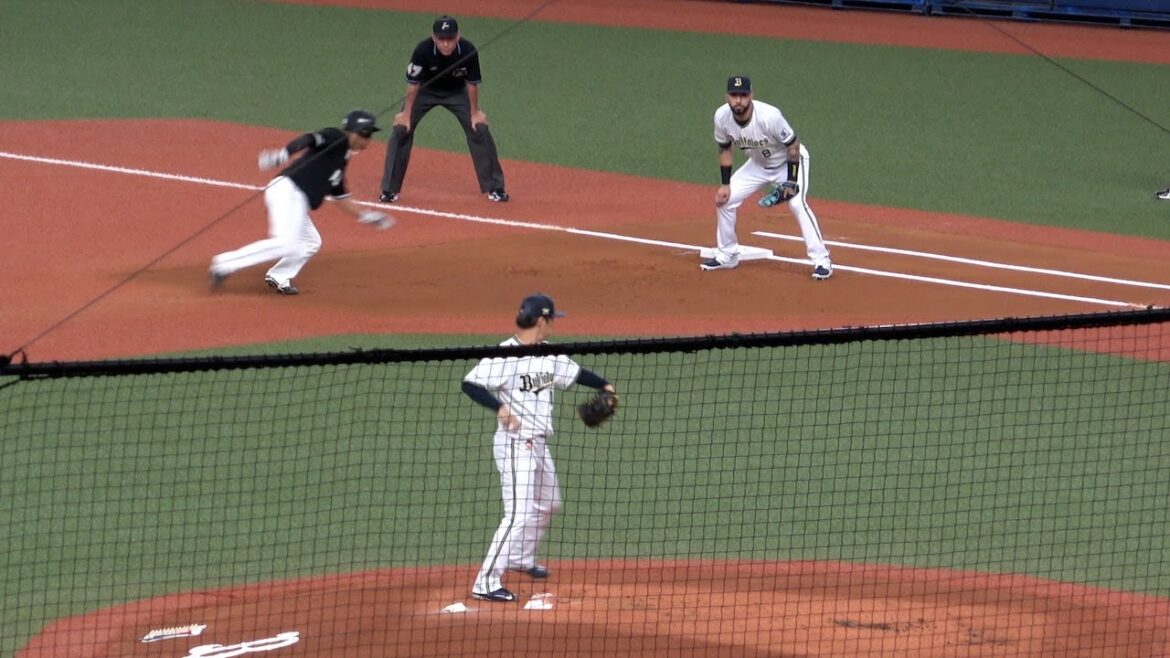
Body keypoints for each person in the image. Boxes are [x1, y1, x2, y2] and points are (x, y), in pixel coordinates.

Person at [461, 293, 617, 602]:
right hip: (514, 444)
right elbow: (470, 384)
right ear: (541, 320)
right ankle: (485, 582)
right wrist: (500, 408)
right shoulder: (505, 355)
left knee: (549, 502)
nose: (553, 325)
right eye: (551, 320)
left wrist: (604, 385)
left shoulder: (549, 354)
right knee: (518, 514)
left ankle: (520, 557)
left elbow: (576, 373)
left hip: (539, 444)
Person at [209, 110, 394, 295]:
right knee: (285, 243)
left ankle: (279, 276)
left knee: (310, 242)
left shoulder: (340, 160)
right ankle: (224, 263)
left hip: (297, 199)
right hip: (289, 191)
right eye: (366, 134)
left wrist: (366, 216)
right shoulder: (336, 137)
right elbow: (309, 139)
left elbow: (341, 197)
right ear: (354, 132)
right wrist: (284, 154)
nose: (368, 140)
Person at [702, 75, 832, 280]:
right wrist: (725, 185)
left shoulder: (769, 116)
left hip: (790, 163)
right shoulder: (721, 117)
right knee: (725, 200)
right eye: (734, 95)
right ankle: (727, 254)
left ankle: (821, 260)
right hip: (758, 165)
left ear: (751, 95)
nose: (738, 100)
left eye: (743, 95)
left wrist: (791, 181)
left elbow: (793, 145)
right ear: (727, 97)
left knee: (797, 204)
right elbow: (725, 148)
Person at [379, 15, 509, 204]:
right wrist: (406, 114)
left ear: (458, 36)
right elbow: (413, 84)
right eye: (441, 39)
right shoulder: (422, 50)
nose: (446, 44)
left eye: (450, 39)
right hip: (425, 91)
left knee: (479, 128)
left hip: (457, 93)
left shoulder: (468, 50)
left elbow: (472, 84)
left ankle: (495, 187)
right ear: (434, 37)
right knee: (401, 130)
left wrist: (475, 113)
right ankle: (389, 190)